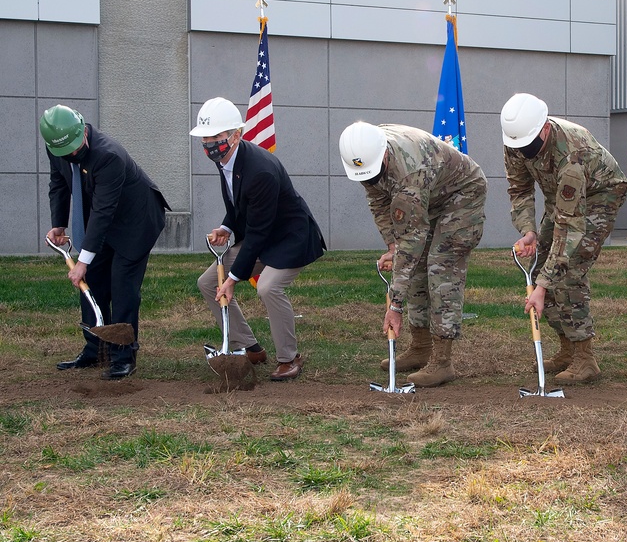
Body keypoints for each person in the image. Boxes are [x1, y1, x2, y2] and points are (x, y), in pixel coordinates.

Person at [339, 122, 487, 387]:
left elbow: (411, 238)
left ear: (384, 154)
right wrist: (391, 246)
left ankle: (442, 362)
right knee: (416, 268)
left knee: (442, 267)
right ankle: (421, 346)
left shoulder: (410, 173)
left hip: (462, 195)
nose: (369, 180)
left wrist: (394, 304)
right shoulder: (365, 153)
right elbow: (379, 202)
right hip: (430, 196)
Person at [190, 97, 326, 382]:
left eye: (216, 136)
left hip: (290, 238)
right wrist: (227, 226)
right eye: (205, 137)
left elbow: (258, 232)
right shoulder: (225, 159)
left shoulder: (260, 170)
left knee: (268, 287)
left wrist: (233, 279)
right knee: (206, 282)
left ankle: (289, 358)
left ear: (236, 135)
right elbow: (240, 205)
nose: (209, 143)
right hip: (262, 234)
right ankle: (249, 347)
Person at [500, 93, 627, 384]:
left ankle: (585, 358)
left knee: (568, 270)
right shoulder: (516, 140)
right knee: (543, 262)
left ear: (545, 128)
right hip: (557, 196)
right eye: (520, 147)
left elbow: (569, 229)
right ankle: (567, 347)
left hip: (600, 195)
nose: (526, 153)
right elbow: (519, 190)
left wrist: (542, 287)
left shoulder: (571, 154)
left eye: (531, 146)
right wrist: (528, 231)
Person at [40, 104, 169, 379]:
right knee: (93, 284)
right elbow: (59, 184)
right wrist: (58, 224)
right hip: (104, 221)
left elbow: (103, 212)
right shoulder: (57, 147)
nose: (72, 155)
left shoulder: (108, 155)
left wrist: (82, 262)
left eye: (75, 148)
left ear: (82, 131)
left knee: (122, 285)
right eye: (65, 152)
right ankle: (95, 350)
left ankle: (123, 356)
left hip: (136, 221)